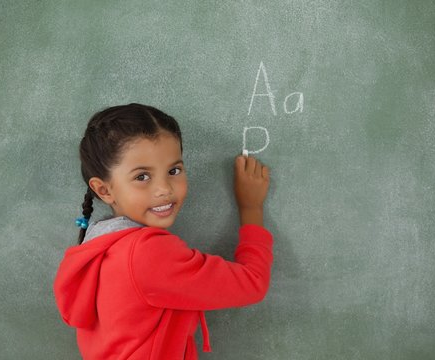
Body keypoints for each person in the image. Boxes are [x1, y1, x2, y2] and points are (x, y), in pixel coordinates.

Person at [53, 103, 273, 360]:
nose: (164, 189)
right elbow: (252, 283)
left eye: (174, 171)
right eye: (142, 177)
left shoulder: (98, 246)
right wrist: (251, 208)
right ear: (104, 190)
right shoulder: (147, 253)